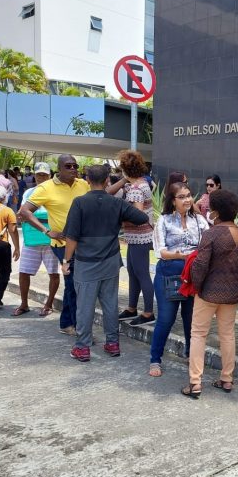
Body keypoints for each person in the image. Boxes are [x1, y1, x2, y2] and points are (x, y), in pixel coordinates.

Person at [63, 165, 148, 362]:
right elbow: (141, 217)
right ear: (108, 181)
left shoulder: (80, 203)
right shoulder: (116, 203)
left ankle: (82, 347)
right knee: (110, 305)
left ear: (87, 180)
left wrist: (66, 261)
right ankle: (112, 343)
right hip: (110, 262)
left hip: (86, 264)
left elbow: (72, 237)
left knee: (84, 307)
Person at [182, 189, 238, 398]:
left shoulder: (210, 233)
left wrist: (198, 286)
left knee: (198, 334)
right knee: (227, 335)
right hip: (232, 293)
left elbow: (200, 265)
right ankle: (227, 379)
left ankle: (195, 383)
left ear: (215, 211)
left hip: (208, 292)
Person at [19, 155, 90, 335]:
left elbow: (102, 194)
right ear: (59, 169)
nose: (73, 168)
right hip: (61, 245)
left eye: (75, 165)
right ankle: (77, 327)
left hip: (82, 243)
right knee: (74, 283)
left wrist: (124, 179)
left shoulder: (82, 184)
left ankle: (66, 323)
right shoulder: (46, 188)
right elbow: (24, 212)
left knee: (72, 284)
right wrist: (47, 230)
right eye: (68, 166)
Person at [150, 182, 210, 377]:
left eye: (189, 195)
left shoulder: (199, 220)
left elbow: (208, 244)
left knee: (191, 319)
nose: (187, 200)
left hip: (193, 275)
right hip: (169, 274)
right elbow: (160, 251)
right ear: (172, 200)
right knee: (166, 318)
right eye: (182, 197)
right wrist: (179, 255)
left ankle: (189, 355)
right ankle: (155, 359)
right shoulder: (164, 221)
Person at [107, 150, 156, 326]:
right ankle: (131, 308)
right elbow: (108, 192)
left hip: (139, 236)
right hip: (139, 236)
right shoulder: (142, 183)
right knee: (133, 273)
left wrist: (118, 218)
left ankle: (148, 312)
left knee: (141, 274)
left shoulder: (136, 189)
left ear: (125, 168)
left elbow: (137, 214)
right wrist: (124, 180)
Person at [12, 162, 61, 318]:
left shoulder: (57, 192)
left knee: (53, 273)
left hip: (51, 239)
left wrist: (30, 217)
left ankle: (49, 304)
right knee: (24, 272)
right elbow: (21, 213)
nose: (41, 177)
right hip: (32, 238)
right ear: (35, 175)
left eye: (44, 175)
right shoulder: (29, 193)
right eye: (39, 174)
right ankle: (24, 304)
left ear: (50, 175)